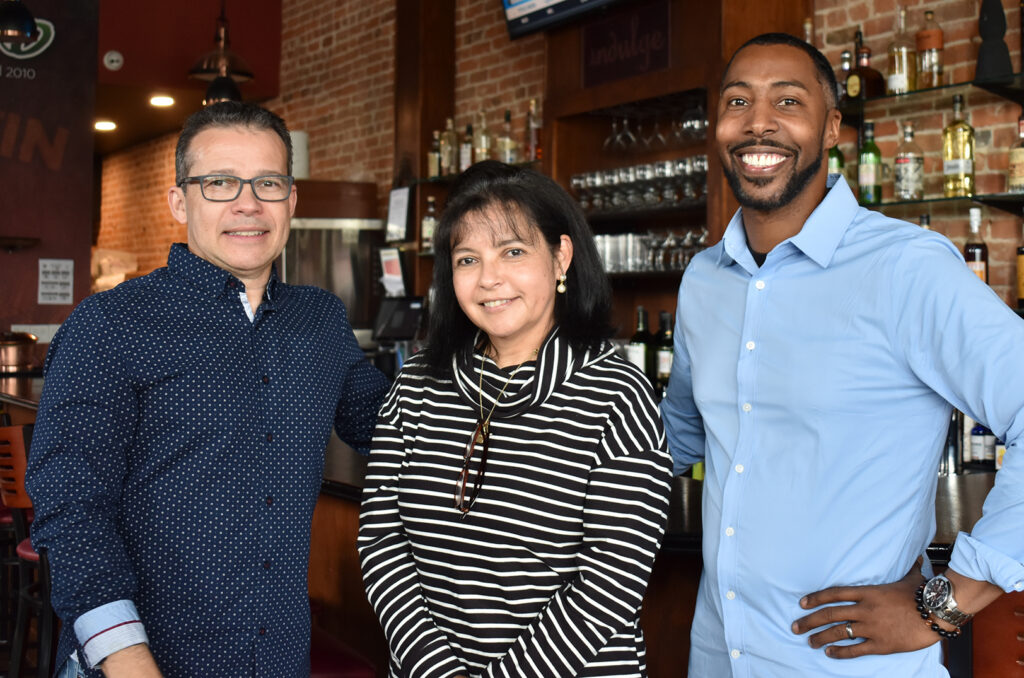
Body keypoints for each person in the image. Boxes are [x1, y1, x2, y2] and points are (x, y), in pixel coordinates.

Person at [660, 33, 1024, 677]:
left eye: (788, 101)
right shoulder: (703, 280)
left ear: (831, 128)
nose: (759, 122)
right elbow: (679, 437)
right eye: (738, 100)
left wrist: (944, 605)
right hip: (721, 656)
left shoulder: (906, 268)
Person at [27, 101, 390, 678]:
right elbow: (73, 508)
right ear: (180, 201)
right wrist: (127, 661)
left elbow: (392, 423)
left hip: (278, 659)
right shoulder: (110, 324)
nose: (248, 203)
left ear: (291, 201)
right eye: (220, 182)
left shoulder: (320, 320)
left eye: (268, 183)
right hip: (138, 664)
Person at [358, 161, 673, 677]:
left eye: (513, 252)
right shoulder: (418, 381)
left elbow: (610, 582)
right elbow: (381, 539)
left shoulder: (618, 394)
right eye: (467, 259)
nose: (489, 279)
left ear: (560, 257)